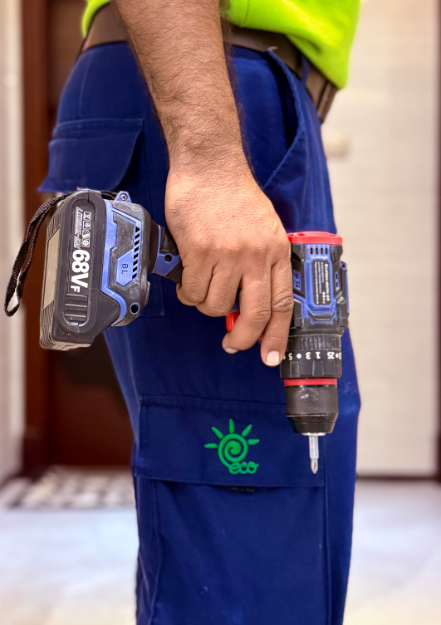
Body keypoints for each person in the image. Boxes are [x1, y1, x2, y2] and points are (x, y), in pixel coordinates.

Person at [40, 1, 362, 623]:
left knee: (272, 486)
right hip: (211, 78)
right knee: (252, 535)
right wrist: (210, 161)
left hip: (238, 90)